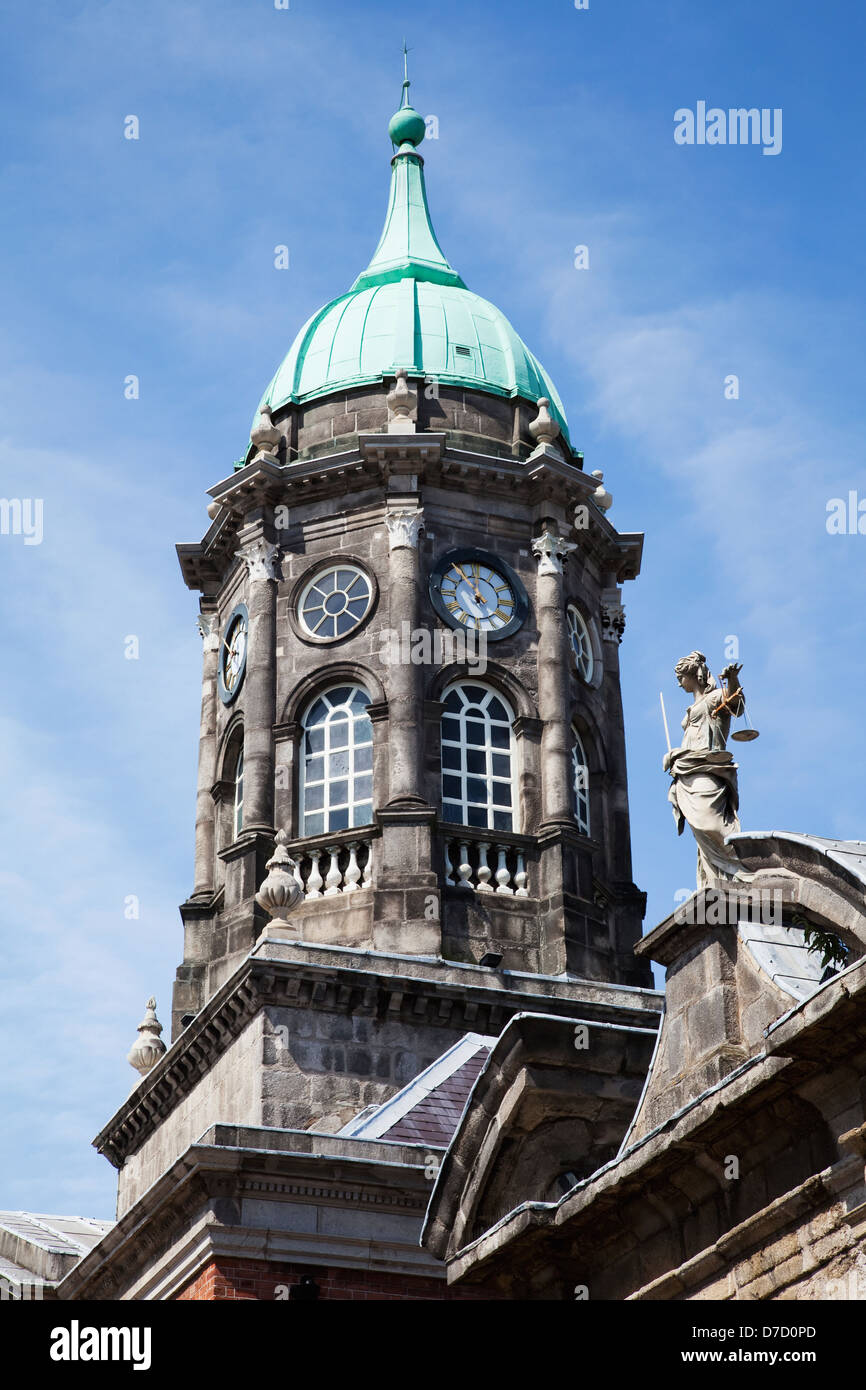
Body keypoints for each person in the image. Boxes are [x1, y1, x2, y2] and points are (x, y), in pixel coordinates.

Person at [664, 651, 750, 888]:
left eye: (681, 676)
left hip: (708, 767)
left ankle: (739, 868)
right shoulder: (691, 706)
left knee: (709, 822)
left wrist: (732, 678)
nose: (679, 682)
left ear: (694, 674)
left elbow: (737, 703)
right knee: (700, 833)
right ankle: (715, 879)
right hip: (688, 769)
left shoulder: (714, 698)